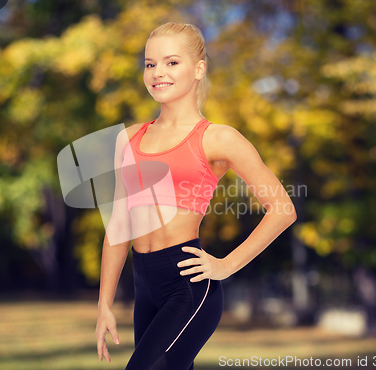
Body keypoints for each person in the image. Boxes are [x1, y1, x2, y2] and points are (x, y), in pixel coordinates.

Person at [95, 22, 297, 370]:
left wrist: (225, 265)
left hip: (187, 285)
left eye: (172, 62)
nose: (158, 72)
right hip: (142, 281)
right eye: (150, 63)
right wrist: (104, 305)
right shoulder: (127, 139)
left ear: (198, 69)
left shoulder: (219, 139)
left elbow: (283, 209)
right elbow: (118, 224)